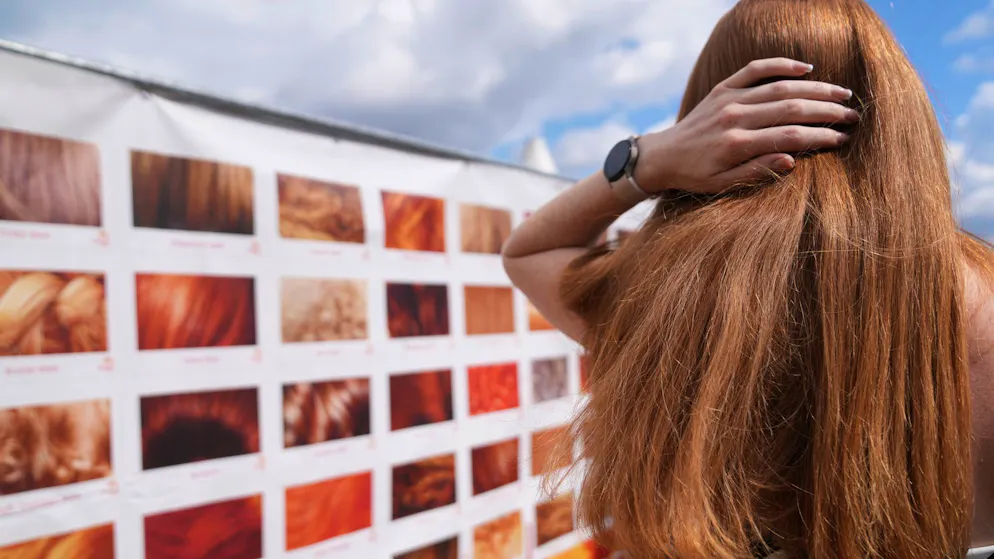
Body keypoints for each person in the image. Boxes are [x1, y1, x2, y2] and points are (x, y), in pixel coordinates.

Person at [502, 0, 994, 557]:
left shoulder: (656, 293)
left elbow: (529, 250)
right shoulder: (982, 299)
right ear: (897, 107)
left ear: (711, 113)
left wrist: (648, 159)